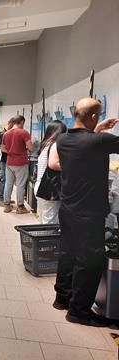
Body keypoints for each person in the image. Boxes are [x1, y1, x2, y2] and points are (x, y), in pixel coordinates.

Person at [50, 98, 119, 327]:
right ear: (92, 116)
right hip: (89, 213)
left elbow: (86, 143)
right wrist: (100, 131)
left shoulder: (63, 139)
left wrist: (98, 129)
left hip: (68, 209)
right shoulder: (98, 141)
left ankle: (62, 298)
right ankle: (79, 311)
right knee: (89, 260)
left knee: (68, 254)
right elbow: (94, 143)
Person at [34, 121, 66, 224]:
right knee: (50, 222)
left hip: (40, 187)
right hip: (48, 189)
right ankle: (48, 240)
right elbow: (53, 164)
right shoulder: (54, 145)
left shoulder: (45, 144)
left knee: (43, 219)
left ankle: (41, 239)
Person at [2, 115, 33, 214]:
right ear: (21, 122)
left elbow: (3, 148)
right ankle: (20, 207)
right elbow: (30, 147)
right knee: (20, 185)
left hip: (9, 162)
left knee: (8, 184)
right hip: (21, 162)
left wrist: (11, 152)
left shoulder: (6, 134)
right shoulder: (24, 132)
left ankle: (7, 206)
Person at [0, 120, 13, 207]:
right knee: (4, 180)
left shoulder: (10, 135)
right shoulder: (3, 136)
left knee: (9, 181)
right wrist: (13, 153)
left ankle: (7, 198)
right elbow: (3, 149)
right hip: (4, 161)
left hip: (10, 161)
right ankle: (1, 199)